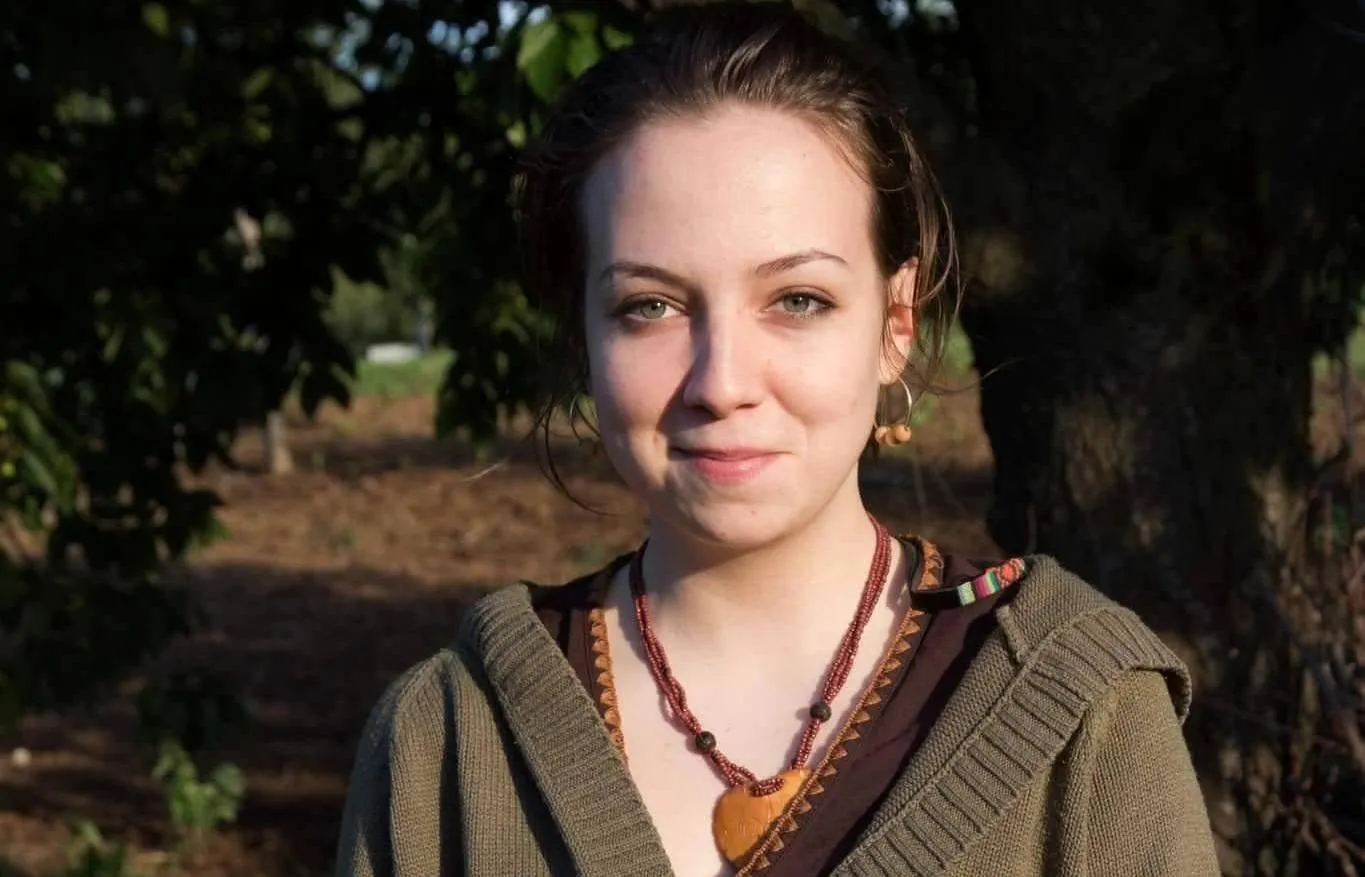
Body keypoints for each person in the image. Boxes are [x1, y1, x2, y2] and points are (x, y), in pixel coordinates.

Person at [333, 3, 1221, 875]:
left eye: (798, 299)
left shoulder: (1082, 718)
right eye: (650, 306)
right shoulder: (445, 742)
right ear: (583, 339)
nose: (722, 381)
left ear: (896, 323)